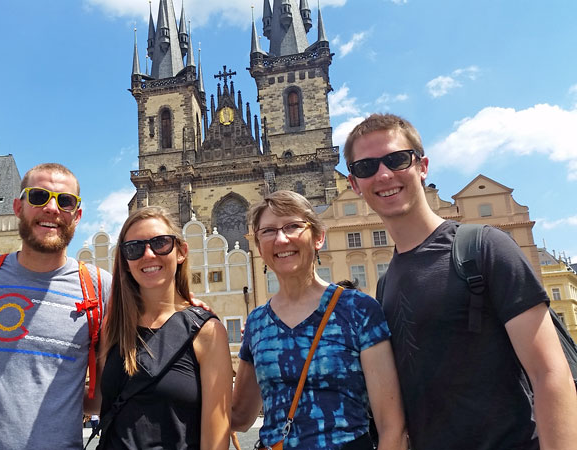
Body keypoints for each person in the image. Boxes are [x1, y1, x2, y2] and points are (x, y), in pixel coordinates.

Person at [344, 113, 577, 449]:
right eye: (366, 167)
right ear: (353, 183)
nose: (383, 174)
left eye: (396, 160)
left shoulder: (484, 247)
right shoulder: (386, 283)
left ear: (422, 166)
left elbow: (550, 375)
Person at [0, 163, 112, 450]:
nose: (52, 208)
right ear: (18, 207)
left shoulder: (98, 287)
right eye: (38, 197)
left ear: (77, 215)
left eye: (65, 201)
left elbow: (108, 389)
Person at [231, 190, 407, 450]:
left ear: (318, 237)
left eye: (293, 226)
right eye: (268, 231)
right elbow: (240, 417)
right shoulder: (257, 322)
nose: (281, 239)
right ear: (258, 246)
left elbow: (392, 426)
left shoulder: (358, 309)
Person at [98, 207, 233, 449]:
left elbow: (215, 442)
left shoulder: (207, 332)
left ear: (181, 252)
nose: (148, 254)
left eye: (161, 243)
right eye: (134, 248)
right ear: (126, 262)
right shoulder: (114, 326)